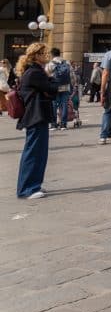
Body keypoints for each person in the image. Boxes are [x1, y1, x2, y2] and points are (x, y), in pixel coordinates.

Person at [15, 43, 57, 199]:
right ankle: (27, 189)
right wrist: (52, 78)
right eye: (45, 53)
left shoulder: (34, 71)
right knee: (34, 153)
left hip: (37, 115)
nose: (48, 55)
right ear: (37, 55)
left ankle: (35, 184)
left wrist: (49, 86)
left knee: (39, 153)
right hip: (35, 115)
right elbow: (53, 88)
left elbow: (50, 92)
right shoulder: (34, 72)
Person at [45, 47, 73, 131]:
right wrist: (72, 85)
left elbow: (46, 75)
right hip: (65, 87)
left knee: (54, 105)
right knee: (64, 105)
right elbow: (72, 75)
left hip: (54, 87)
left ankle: (53, 124)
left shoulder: (50, 63)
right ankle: (63, 124)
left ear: (52, 54)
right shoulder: (67, 62)